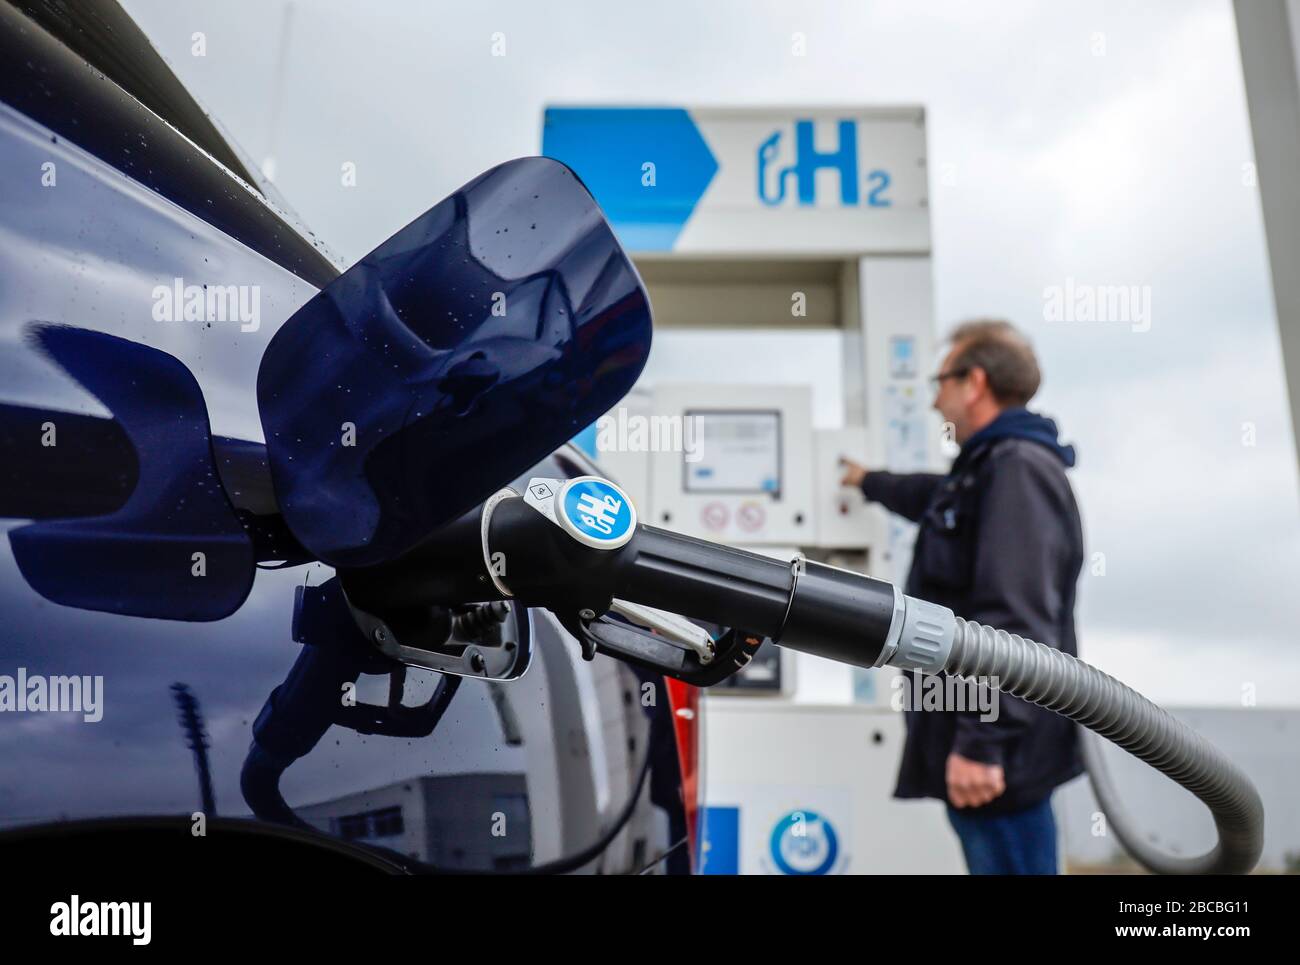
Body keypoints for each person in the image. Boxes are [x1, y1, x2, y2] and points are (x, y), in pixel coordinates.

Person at [841, 319, 1085, 875]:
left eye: (941, 382)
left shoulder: (1017, 470)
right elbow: (929, 497)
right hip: (977, 739)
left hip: (999, 762)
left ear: (973, 382)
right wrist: (868, 481)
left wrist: (983, 744)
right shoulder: (983, 471)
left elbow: (1014, 621)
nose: (934, 401)